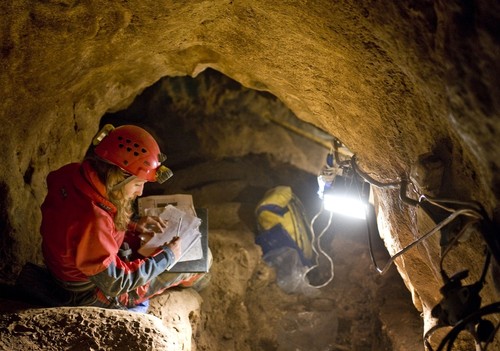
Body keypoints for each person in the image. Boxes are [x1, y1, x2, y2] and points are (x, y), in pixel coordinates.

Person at [39, 124, 208, 310]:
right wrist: (168, 256)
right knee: (199, 261)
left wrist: (133, 224)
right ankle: (196, 284)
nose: (140, 192)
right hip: (92, 291)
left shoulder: (72, 174)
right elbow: (116, 283)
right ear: (117, 179)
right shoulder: (94, 220)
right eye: (137, 184)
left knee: (156, 248)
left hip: (75, 266)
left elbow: (77, 229)